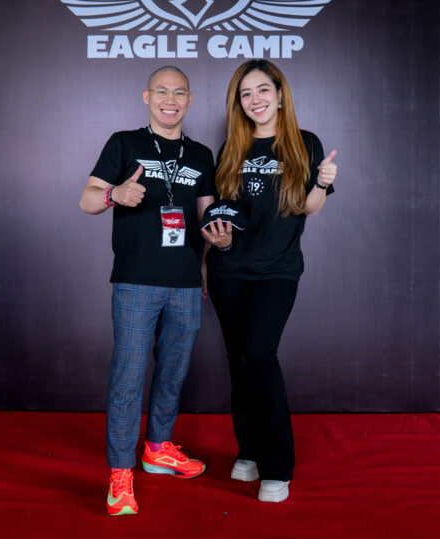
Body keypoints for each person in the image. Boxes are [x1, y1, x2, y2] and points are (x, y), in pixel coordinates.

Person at [80, 65, 216, 516]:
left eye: (179, 93)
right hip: (136, 280)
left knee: (173, 372)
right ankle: (120, 473)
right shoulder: (124, 143)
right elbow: (87, 199)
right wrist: (114, 195)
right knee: (128, 375)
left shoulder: (201, 155)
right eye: (162, 91)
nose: (170, 100)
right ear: (147, 97)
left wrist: (210, 254)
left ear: (189, 100)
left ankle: (158, 448)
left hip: (184, 284)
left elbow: (206, 217)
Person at [202, 59, 337, 503]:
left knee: (260, 354)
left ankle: (277, 466)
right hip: (228, 269)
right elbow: (221, 215)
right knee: (239, 362)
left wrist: (322, 183)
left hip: (277, 271)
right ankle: (249, 451)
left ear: (280, 94)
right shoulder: (232, 147)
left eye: (263, 90)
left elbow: (308, 209)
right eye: (246, 93)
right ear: (238, 103)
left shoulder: (304, 143)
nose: (255, 99)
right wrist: (213, 251)